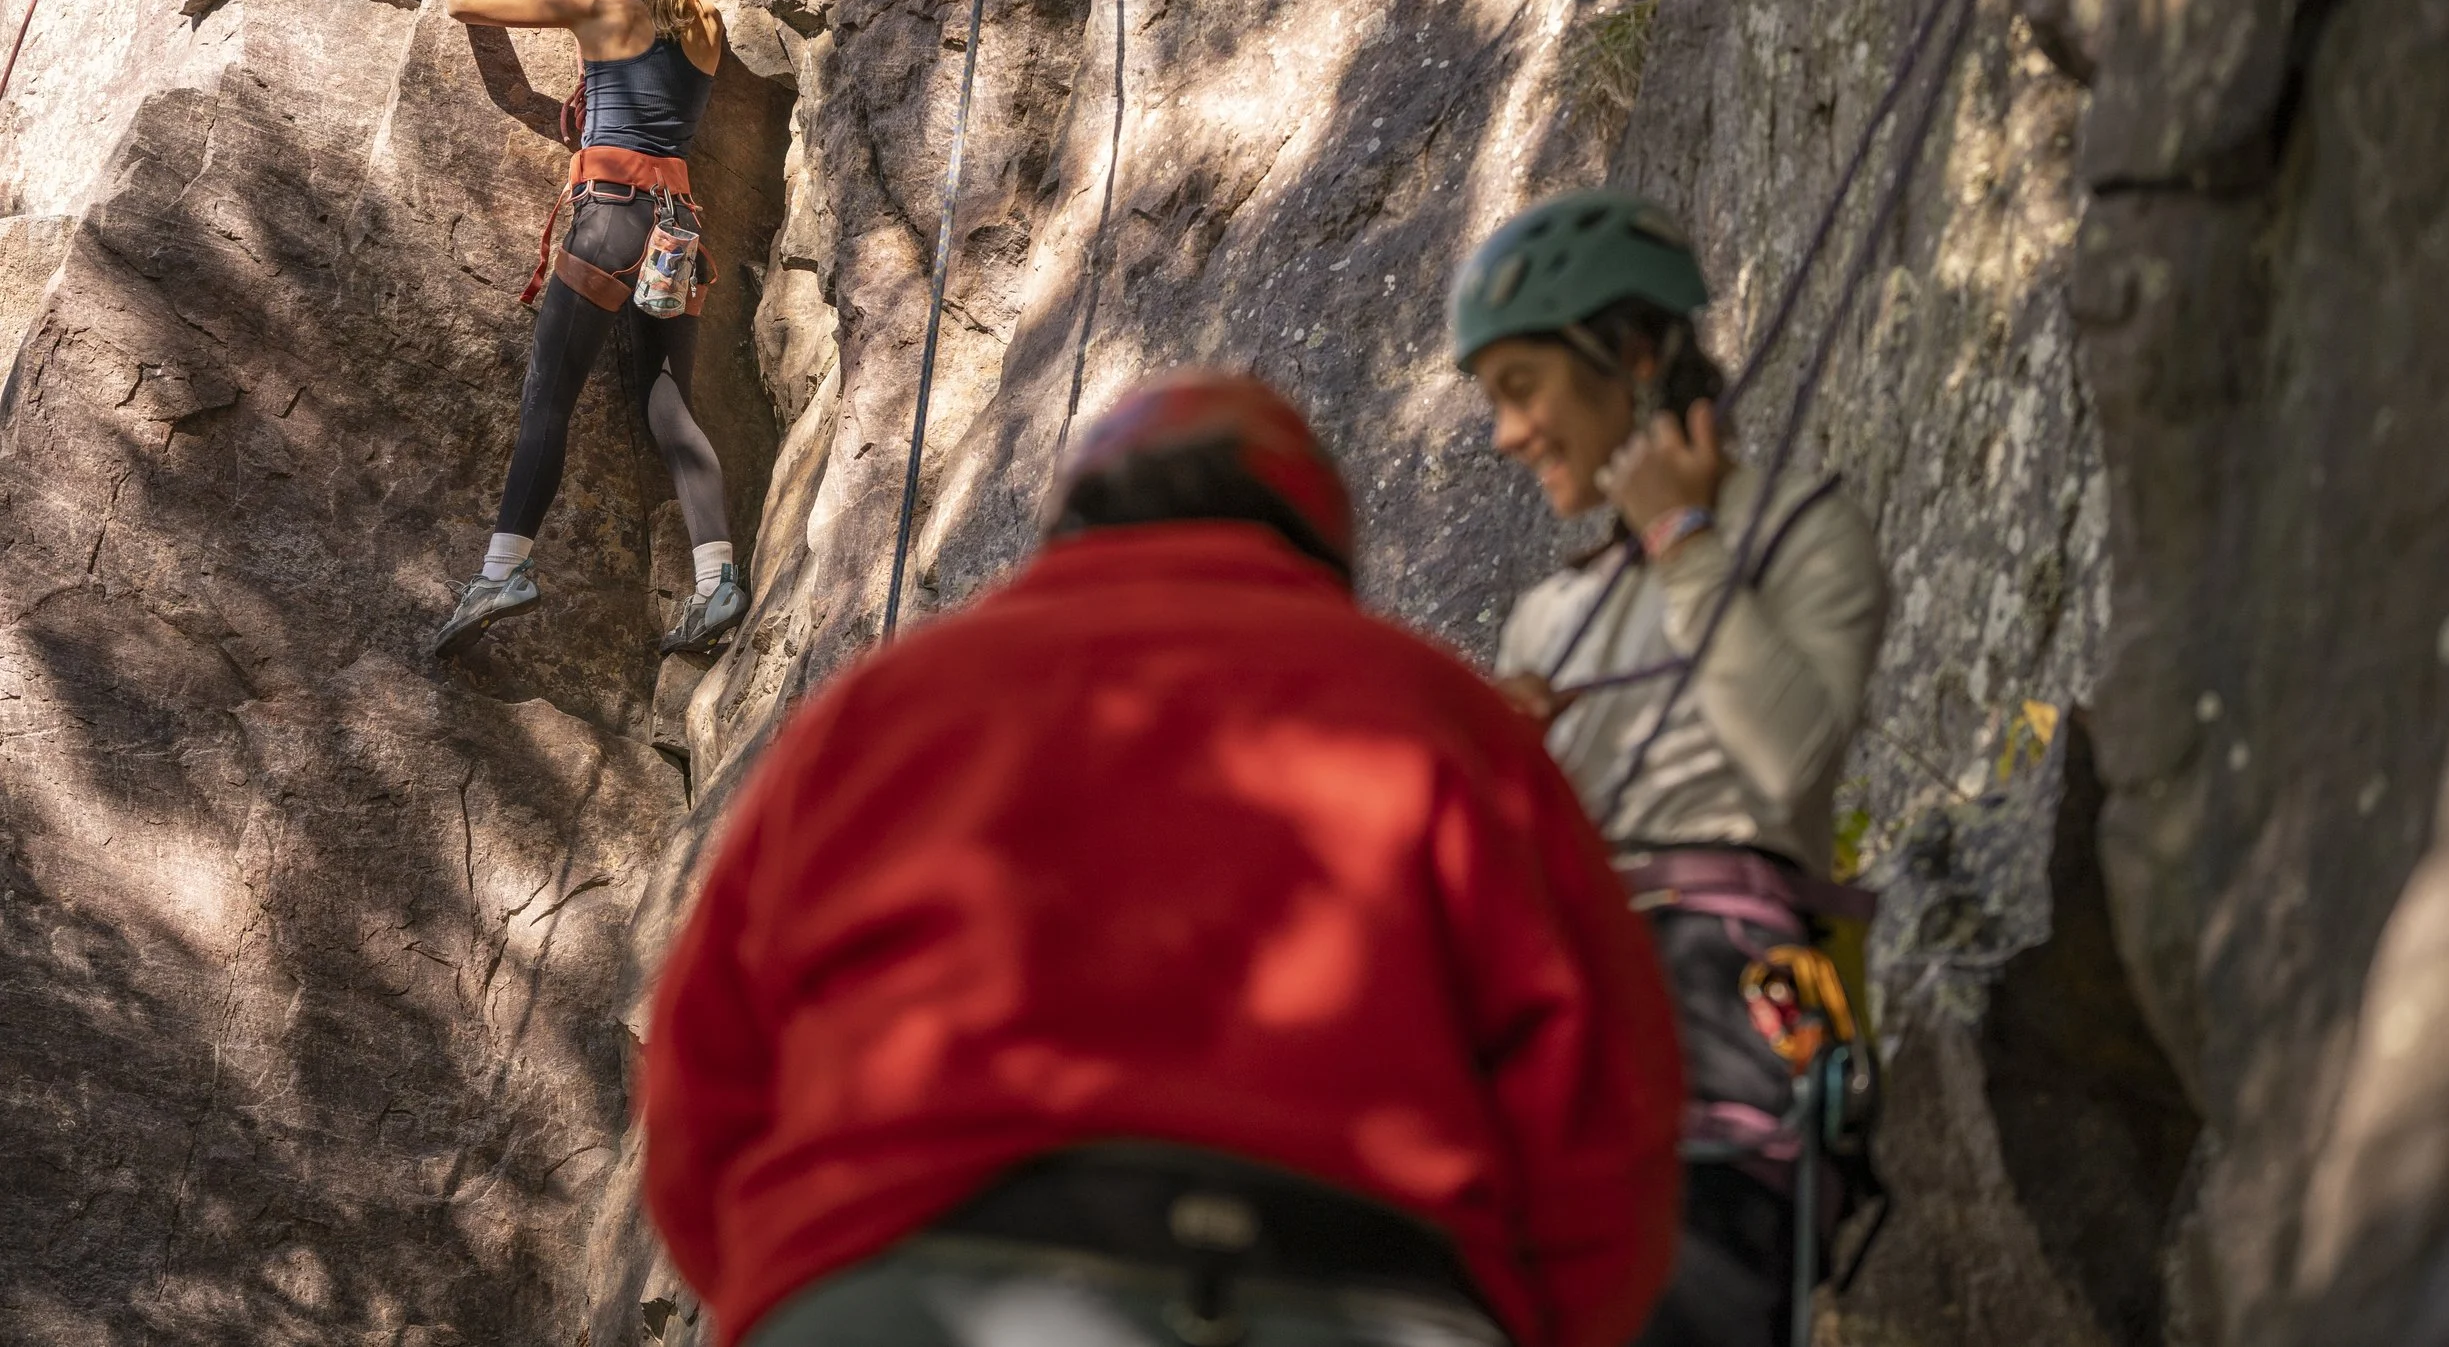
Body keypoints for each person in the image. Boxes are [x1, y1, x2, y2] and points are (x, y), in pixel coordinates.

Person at [637, 370, 1686, 1347]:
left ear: (1072, 525)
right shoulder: (1447, 716)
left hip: (894, 1284)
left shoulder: (880, 709)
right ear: (1319, 548)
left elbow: (703, 1091)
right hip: (1362, 1286)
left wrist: (795, 1274)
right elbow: (1609, 1105)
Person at [1449, 189, 1890, 1347]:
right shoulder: (1549, 614)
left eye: (1520, 388)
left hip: (1729, 997)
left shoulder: (1802, 531)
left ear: (1633, 354)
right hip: (1569, 1012)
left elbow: (1788, 759)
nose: (1506, 434)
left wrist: (1683, 546)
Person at [428, 0, 750, 659]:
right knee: (665, 406)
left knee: (548, 396)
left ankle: (504, 568)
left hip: (609, 219)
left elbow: (464, 3)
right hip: (675, 230)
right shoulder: (706, 20)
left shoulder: (602, 11)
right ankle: (718, 579)